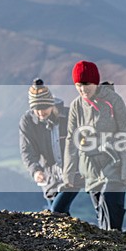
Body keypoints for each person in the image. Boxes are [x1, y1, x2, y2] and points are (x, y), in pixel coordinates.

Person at [63, 61, 126, 231]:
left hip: (114, 162)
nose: (83, 89)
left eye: (86, 84)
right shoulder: (76, 105)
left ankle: (117, 244)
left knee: (110, 203)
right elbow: (71, 139)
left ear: (95, 82)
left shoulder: (113, 100)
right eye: (78, 85)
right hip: (90, 166)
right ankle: (110, 248)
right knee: (100, 212)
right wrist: (68, 173)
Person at [19, 78, 79, 214]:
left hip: (73, 173)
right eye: (36, 109)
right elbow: (27, 150)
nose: (40, 113)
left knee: (57, 211)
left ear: (52, 104)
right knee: (61, 216)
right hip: (49, 177)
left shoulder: (70, 116)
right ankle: (72, 236)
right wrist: (35, 170)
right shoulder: (28, 122)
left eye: (44, 108)